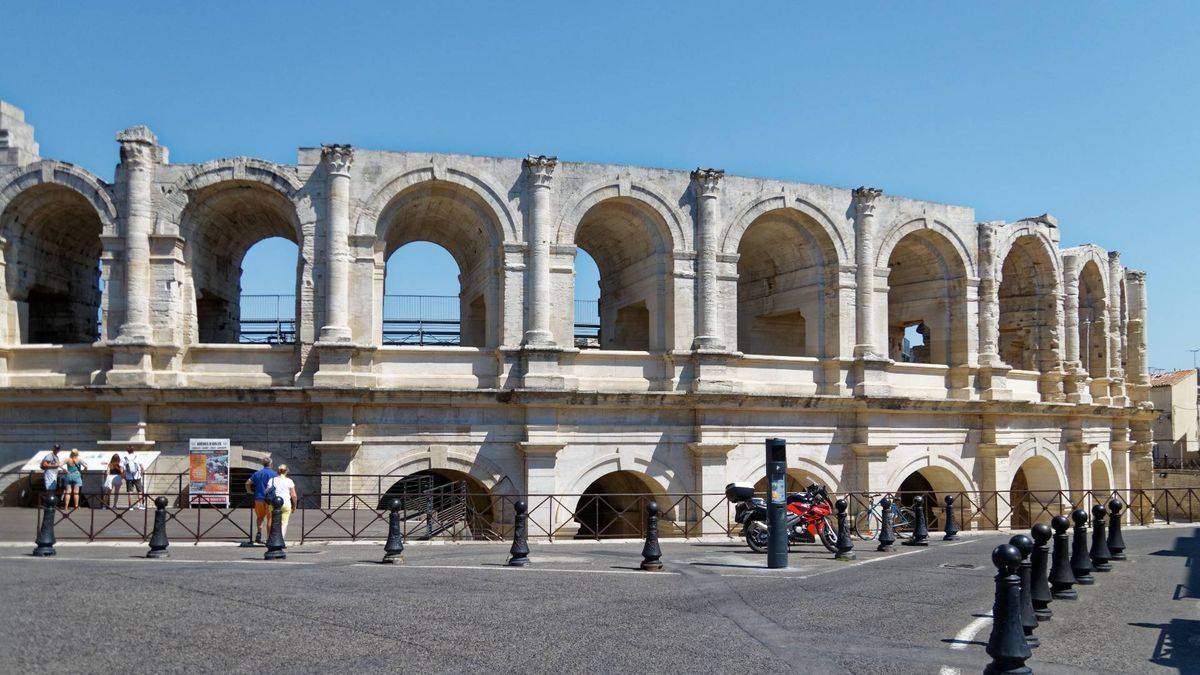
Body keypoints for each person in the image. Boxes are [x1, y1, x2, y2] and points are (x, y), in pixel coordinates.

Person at [246, 457, 277, 544]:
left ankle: (259, 533)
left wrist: (250, 491)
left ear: (263, 464)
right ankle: (269, 538)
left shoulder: (257, 473)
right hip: (270, 499)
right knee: (270, 518)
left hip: (258, 498)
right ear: (271, 464)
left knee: (260, 517)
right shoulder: (274, 474)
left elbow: (247, 483)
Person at [266, 465, 299, 542]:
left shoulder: (272, 480)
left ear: (277, 471)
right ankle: (281, 540)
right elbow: (294, 496)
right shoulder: (289, 481)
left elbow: (266, 491)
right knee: (284, 523)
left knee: (272, 520)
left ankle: (270, 539)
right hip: (286, 503)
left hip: (274, 503)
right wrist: (294, 506)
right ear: (286, 471)